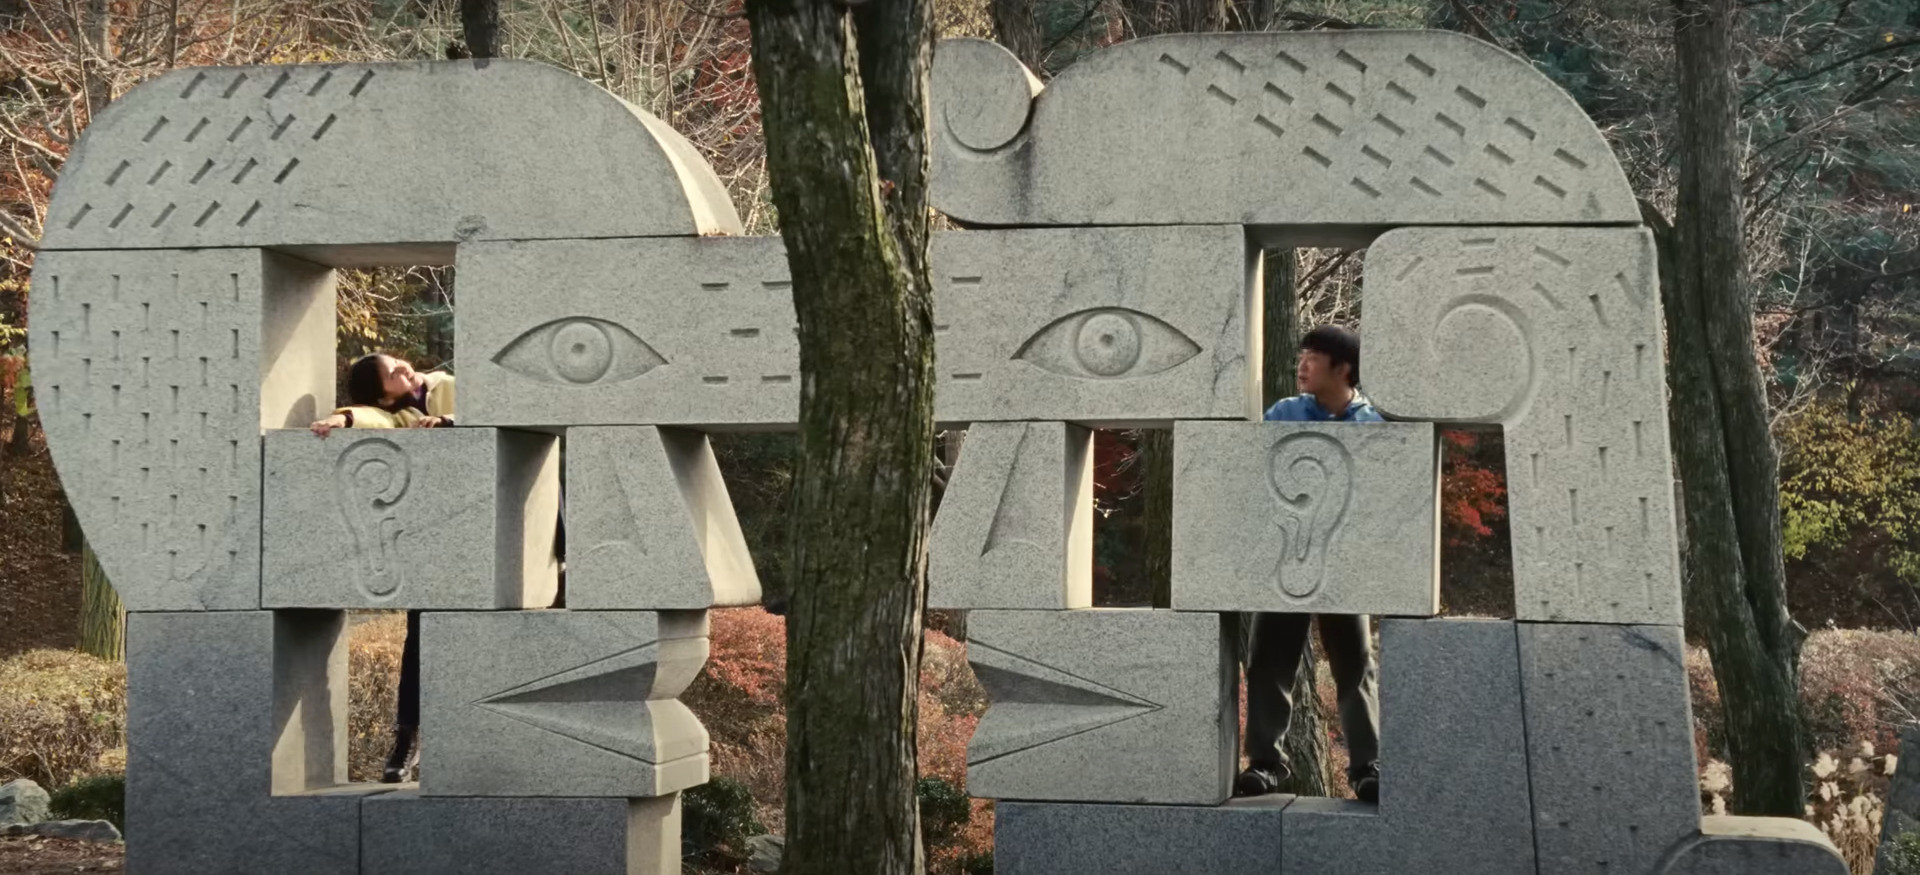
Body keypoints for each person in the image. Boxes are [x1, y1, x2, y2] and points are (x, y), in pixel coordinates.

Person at [1237, 324, 1384, 804]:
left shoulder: (1371, 423)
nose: (1301, 365)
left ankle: (1367, 768)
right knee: (1267, 662)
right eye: (1301, 355)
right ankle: (1265, 763)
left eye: (1313, 357)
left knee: (1354, 665)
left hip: (1344, 563)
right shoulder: (1284, 413)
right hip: (1287, 557)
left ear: (1342, 368)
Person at [310, 353, 455, 783]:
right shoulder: (401, 416)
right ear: (384, 397)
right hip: (435, 539)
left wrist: (449, 421)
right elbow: (373, 418)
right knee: (420, 634)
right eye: (390, 373)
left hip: (497, 523)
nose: (401, 367)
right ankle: (406, 739)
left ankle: (560, 558)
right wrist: (342, 419)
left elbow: (504, 409)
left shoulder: (447, 386)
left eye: (397, 362)